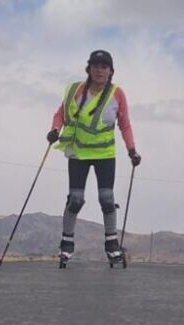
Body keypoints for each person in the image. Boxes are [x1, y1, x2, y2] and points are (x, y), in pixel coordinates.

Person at [47, 49, 141, 263]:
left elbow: (125, 124)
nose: (99, 70)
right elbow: (60, 113)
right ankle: (66, 244)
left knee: (107, 199)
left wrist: (132, 150)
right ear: (88, 69)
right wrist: (55, 129)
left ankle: (112, 245)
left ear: (111, 72)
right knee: (76, 199)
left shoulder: (117, 94)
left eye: (104, 67)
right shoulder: (75, 90)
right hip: (78, 152)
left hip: (104, 154)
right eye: (96, 66)